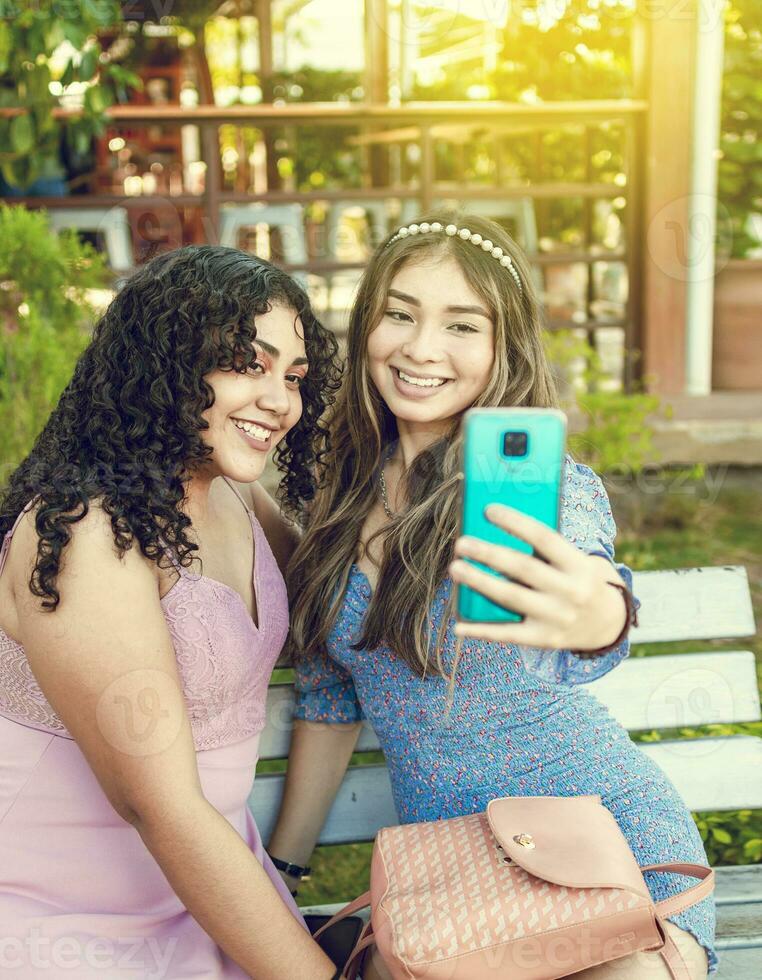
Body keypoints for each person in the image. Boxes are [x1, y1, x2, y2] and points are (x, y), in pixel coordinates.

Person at [267, 213, 716, 979]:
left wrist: (599, 615)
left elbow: (594, 590)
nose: (420, 347)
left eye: (461, 325)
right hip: (455, 874)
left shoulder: (538, 493)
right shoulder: (335, 502)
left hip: (607, 843)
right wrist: (283, 871)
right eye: (399, 313)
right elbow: (330, 698)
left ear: (503, 345)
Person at [0, 246, 346, 979]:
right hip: (68, 917)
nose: (281, 401)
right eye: (249, 365)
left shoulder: (232, 494)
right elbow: (159, 807)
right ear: (164, 362)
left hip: (210, 885)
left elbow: (338, 607)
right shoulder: (85, 531)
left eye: (293, 377)